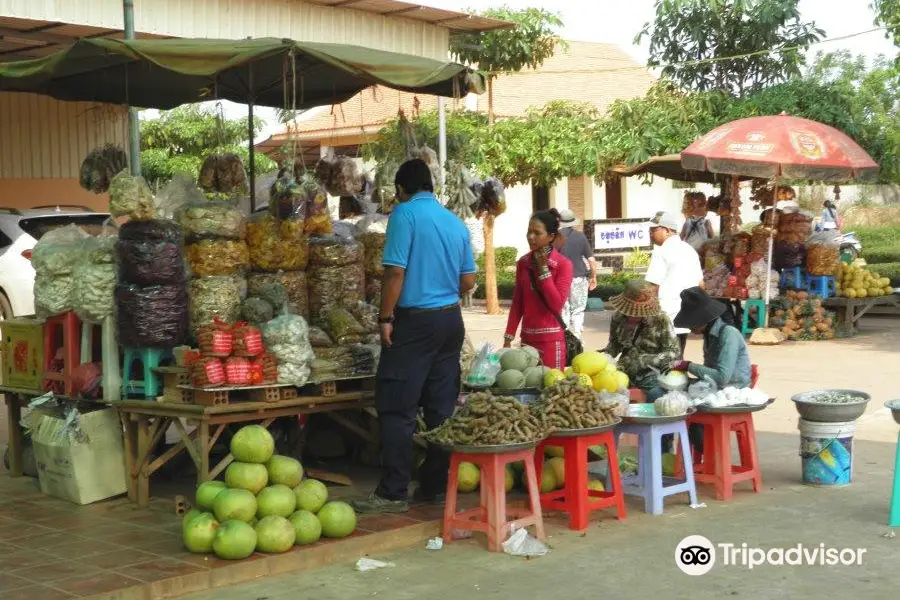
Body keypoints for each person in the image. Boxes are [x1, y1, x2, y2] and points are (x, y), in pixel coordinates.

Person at [352, 159, 477, 515]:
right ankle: (435, 486)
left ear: (401, 189)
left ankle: (392, 492)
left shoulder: (404, 216)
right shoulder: (455, 223)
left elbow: (394, 274)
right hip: (450, 322)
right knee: (440, 408)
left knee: (397, 408)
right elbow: (468, 282)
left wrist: (385, 317)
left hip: (414, 323)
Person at [671, 287, 753, 453]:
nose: (689, 327)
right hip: (716, 387)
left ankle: (709, 454)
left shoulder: (728, 334)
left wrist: (689, 366)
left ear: (702, 319)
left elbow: (722, 377)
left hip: (733, 391)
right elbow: (710, 373)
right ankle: (698, 457)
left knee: (694, 410)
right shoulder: (709, 336)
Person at [504, 209, 573, 370]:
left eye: (537, 233)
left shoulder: (563, 265)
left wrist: (544, 271)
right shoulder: (524, 262)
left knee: (551, 391)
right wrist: (509, 336)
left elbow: (556, 304)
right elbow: (518, 303)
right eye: (529, 232)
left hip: (551, 341)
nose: (530, 237)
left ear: (551, 237)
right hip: (527, 340)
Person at [602, 279, 681, 401]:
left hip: (651, 372)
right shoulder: (618, 317)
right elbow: (614, 343)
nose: (633, 316)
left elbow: (673, 352)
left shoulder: (661, 319)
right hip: (624, 369)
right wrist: (604, 358)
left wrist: (642, 361)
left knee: (656, 394)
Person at [645, 211, 703, 357]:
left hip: (666, 316)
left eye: (654, 230)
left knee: (662, 359)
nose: (651, 234)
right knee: (678, 356)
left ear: (668, 230)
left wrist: (645, 313)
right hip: (686, 315)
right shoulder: (689, 250)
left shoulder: (662, 251)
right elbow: (701, 284)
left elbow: (653, 286)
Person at [558, 208, 597, 341]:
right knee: (578, 309)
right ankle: (577, 338)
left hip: (560, 279)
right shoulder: (580, 236)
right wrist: (594, 277)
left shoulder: (555, 238)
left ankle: (565, 337)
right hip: (579, 277)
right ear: (573, 222)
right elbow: (591, 259)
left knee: (564, 308)